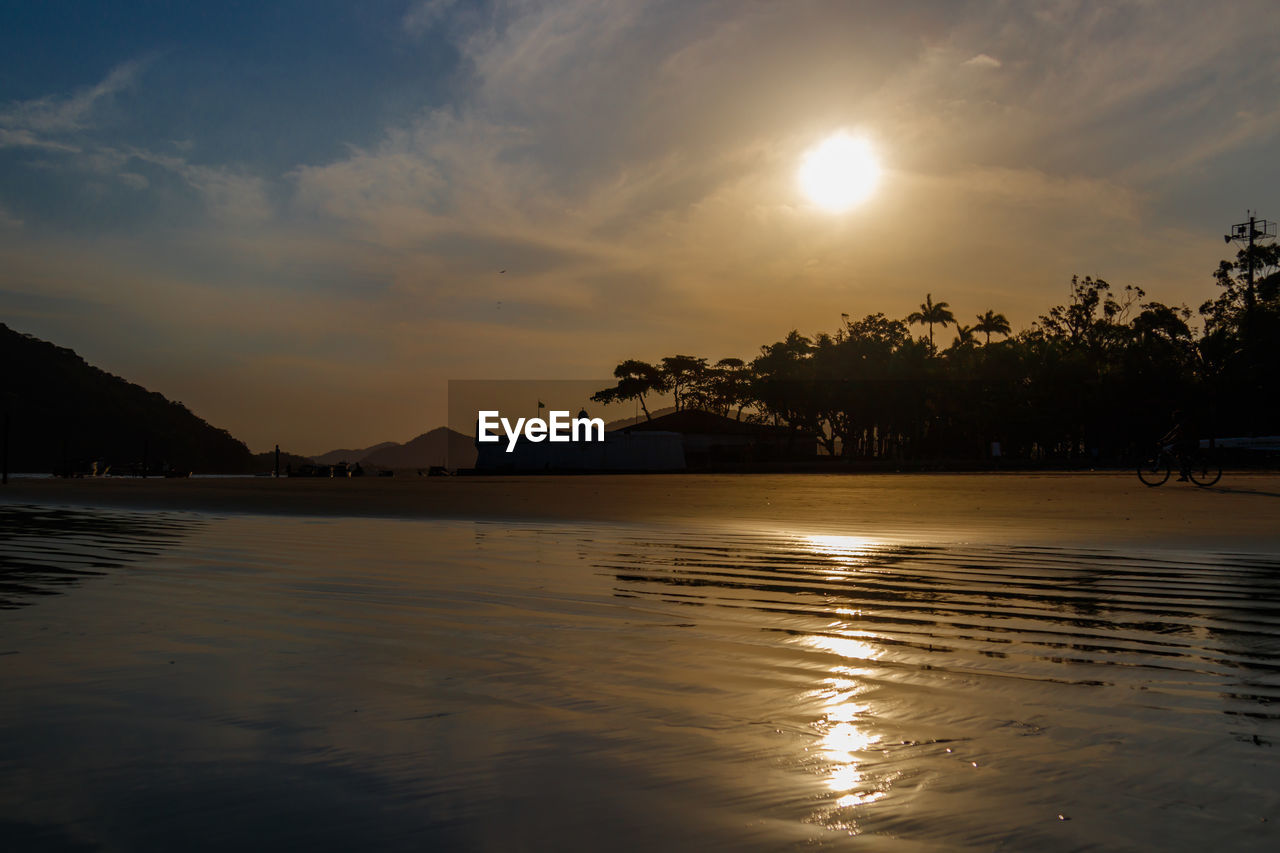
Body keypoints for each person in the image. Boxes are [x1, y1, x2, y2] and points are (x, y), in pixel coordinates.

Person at [1158, 410, 1195, 481]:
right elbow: (1172, 432)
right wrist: (1163, 439)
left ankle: (1184, 471)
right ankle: (1184, 473)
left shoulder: (1183, 424)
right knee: (1178, 455)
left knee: (1174, 451)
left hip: (1188, 443)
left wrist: (1166, 441)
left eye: (1173, 417)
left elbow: (1175, 435)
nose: (1173, 418)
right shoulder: (1181, 423)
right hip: (1186, 443)